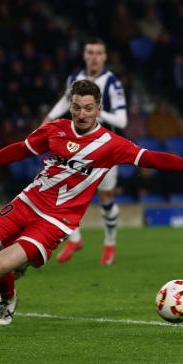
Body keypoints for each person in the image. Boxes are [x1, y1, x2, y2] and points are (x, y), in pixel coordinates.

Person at [0, 80, 183, 326]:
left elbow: (151, 158)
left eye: (88, 108)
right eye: (76, 107)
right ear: (71, 107)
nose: (82, 114)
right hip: (26, 203)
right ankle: (18, 260)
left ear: (98, 109)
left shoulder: (111, 144)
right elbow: (20, 150)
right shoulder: (55, 130)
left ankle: (7, 299)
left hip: (56, 220)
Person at [42, 38, 128, 265]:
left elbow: (122, 119)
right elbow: (64, 101)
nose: (94, 57)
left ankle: (109, 243)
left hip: (105, 148)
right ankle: (74, 238)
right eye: (90, 52)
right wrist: (47, 122)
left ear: (105, 57)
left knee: (106, 197)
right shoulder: (74, 79)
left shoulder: (113, 83)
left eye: (99, 53)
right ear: (84, 54)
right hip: (76, 146)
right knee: (62, 191)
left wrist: (96, 112)